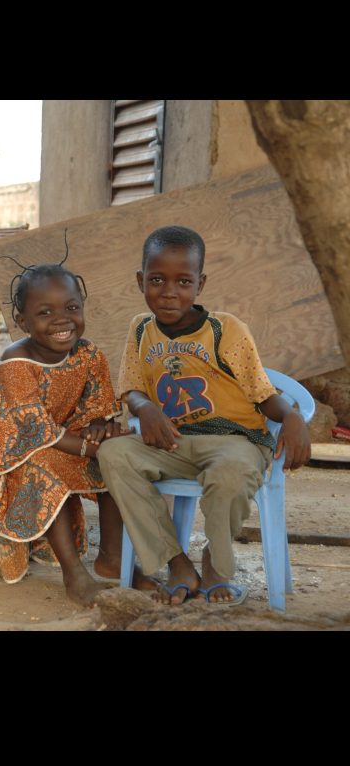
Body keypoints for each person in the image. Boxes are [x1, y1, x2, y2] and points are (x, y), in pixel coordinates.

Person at [97, 225, 311, 606]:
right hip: (173, 442)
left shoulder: (225, 330)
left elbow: (263, 395)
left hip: (235, 443)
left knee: (230, 472)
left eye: (183, 281)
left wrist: (292, 417)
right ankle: (177, 563)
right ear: (139, 281)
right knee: (113, 455)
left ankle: (216, 562)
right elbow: (131, 387)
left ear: (201, 284)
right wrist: (144, 408)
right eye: (157, 280)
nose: (169, 292)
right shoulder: (141, 329)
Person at [0, 255, 154, 608]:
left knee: (113, 460)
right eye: (45, 313)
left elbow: (100, 404)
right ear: (22, 321)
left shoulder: (89, 353)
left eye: (72, 307)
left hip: (56, 434)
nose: (62, 319)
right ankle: (73, 574)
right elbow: (34, 430)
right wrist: (96, 449)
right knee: (44, 464)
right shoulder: (15, 362)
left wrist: (99, 428)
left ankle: (112, 557)